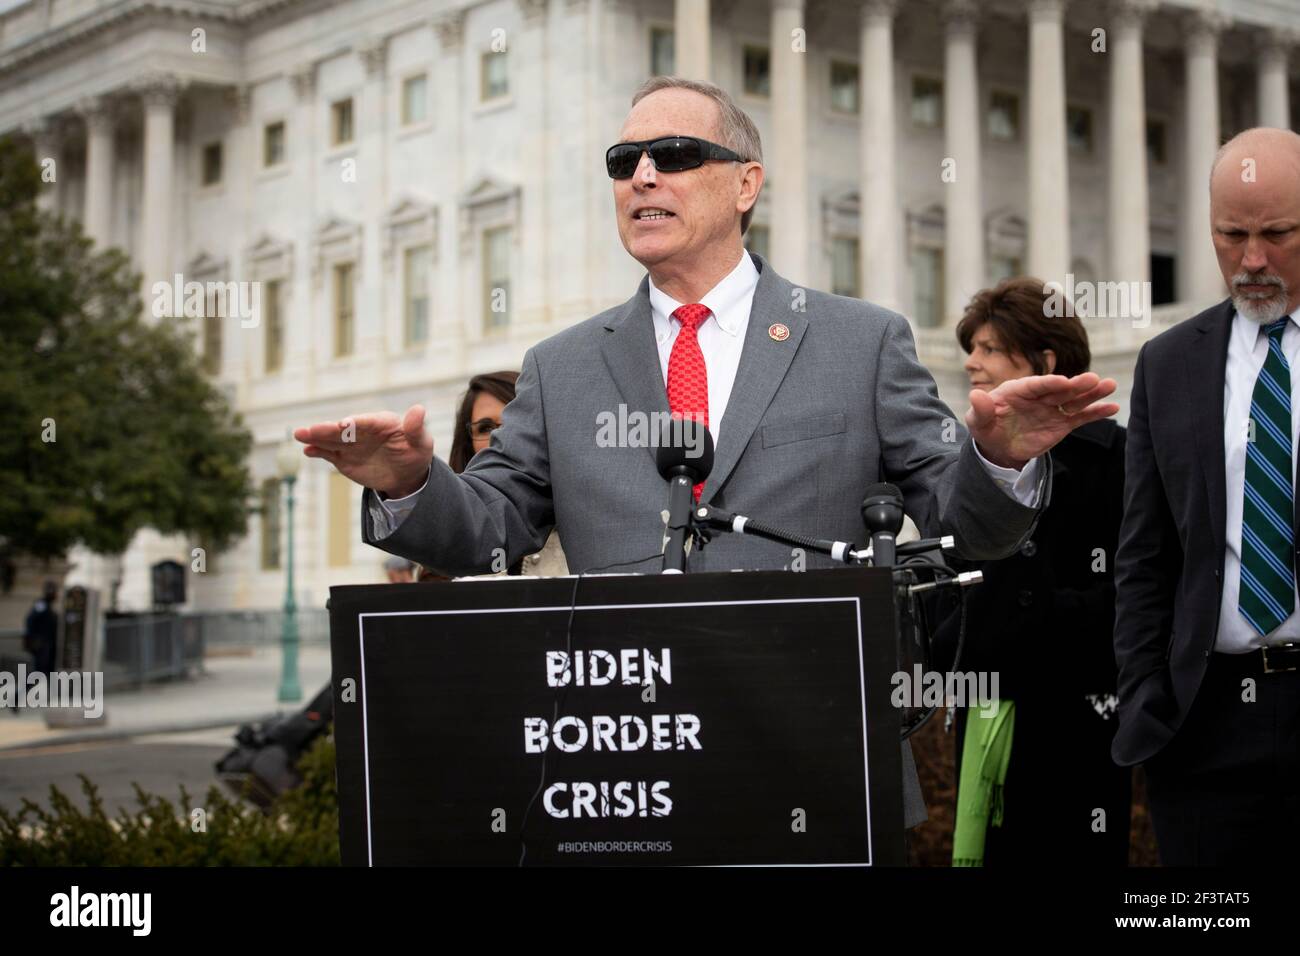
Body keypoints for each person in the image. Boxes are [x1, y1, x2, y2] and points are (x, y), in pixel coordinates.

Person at [297, 76, 1117, 827]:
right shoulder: (563, 366)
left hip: (816, 768)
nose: (643, 176)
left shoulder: (860, 343)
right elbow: (490, 526)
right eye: (624, 162)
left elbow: (962, 524)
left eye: (676, 155)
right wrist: (410, 484)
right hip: (624, 778)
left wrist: (1001, 461)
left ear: (746, 184)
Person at [1113, 126, 1300, 865]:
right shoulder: (1167, 363)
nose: (1251, 260)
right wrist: (1144, 697)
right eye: (1231, 235)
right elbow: (1142, 556)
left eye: (1277, 234)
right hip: (1203, 724)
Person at [933, 277, 1130, 866]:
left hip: (1080, 728)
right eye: (973, 347)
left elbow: (1139, 597)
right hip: (987, 713)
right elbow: (949, 592)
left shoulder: (1120, 458)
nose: (970, 362)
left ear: (1045, 360)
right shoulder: (967, 462)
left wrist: (1037, 615)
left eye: (990, 348)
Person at [23, 581, 59, 678]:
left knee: (47, 672)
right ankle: (19, 693)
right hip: (42, 645)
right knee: (38, 672)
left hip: (48, 646)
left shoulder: (49, 607)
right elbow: (30, 621)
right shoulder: (41, 605)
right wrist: (32, 640)